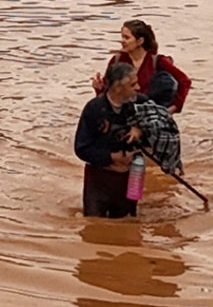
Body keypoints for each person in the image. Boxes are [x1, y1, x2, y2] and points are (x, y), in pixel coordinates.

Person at [75, 63, 143, 218]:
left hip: (132, 177)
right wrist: (112, 157)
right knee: (94, 225)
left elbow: (161, 122)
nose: (138, 87)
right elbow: (81, 148)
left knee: (128, 222)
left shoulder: (140, 105)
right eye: (133, 84)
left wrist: (140, 128)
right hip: (99, 180)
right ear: (118, 87)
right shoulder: (94, 109)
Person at [91, 19, 192, 114]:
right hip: (123, 116)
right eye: (122, 37)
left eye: (127, 37)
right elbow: (108, 93)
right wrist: (99, 88)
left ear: (140, 41)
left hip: (150, 116)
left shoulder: (158, 61)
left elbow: (184, 81)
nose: (122, 41)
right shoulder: (117, 60)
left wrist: (173, 108)